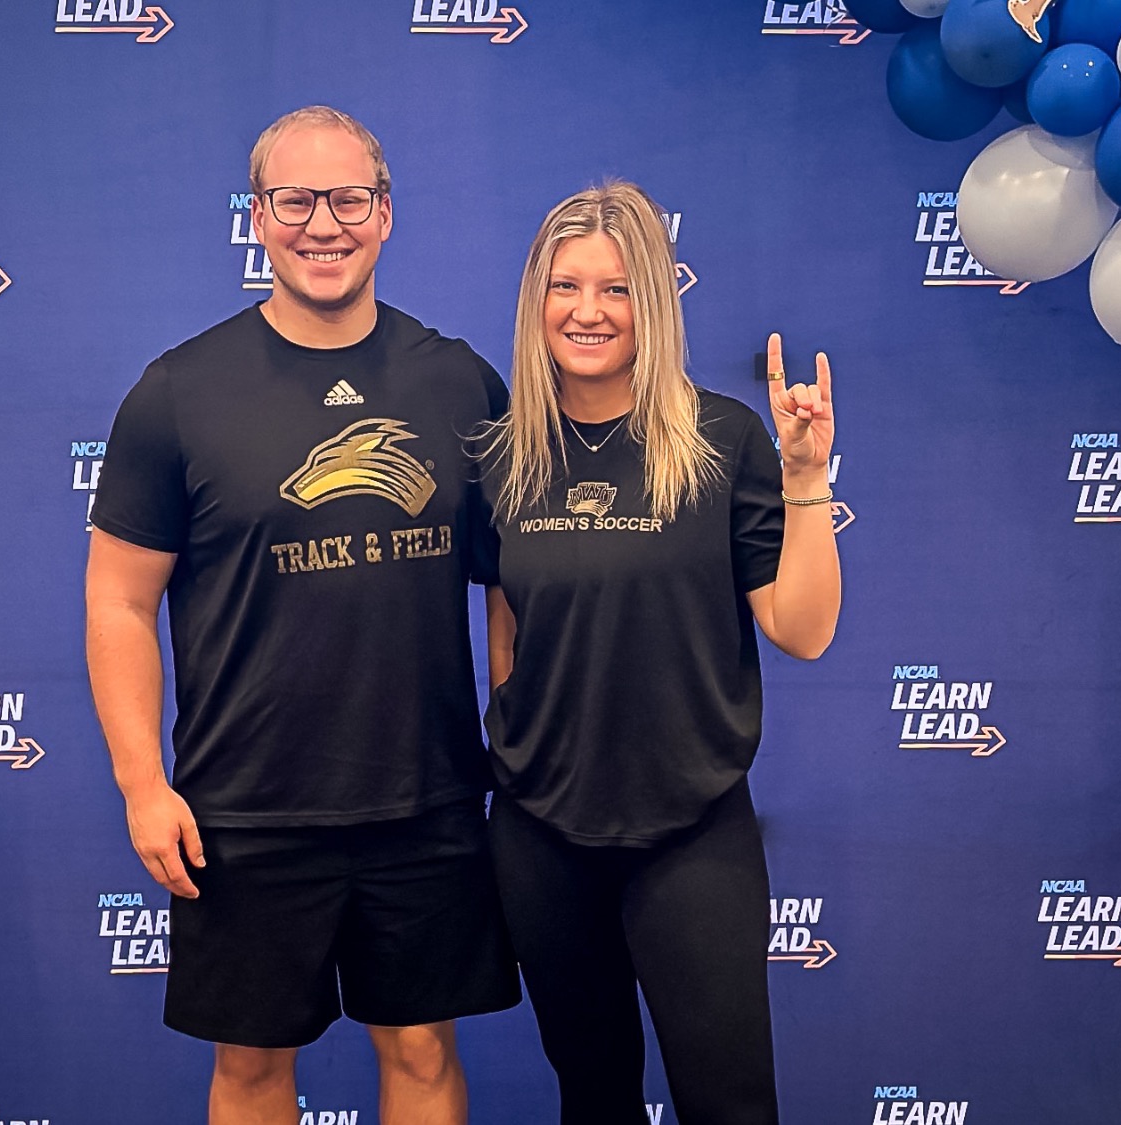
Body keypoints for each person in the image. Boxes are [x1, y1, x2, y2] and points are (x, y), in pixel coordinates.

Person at [85, 105, 519, 1125]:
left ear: (384, 214)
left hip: (425, 800)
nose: (322, 224)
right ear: (257, 216)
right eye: (295, 200)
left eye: (347, 199)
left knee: (419, 1054)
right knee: (248, 1069)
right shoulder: (177, 394)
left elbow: (512, 583)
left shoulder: (457, 383)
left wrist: (516, 734)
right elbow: (117, 599)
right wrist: (142, 784)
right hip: (244, 810)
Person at [477, 181, 843, 1125]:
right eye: (566, 286)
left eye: (617, 288)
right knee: (592, 1095)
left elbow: (802, 628)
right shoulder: (504, 454)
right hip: (542, 835)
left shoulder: (722, 438)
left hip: (691, 830)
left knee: (729, 1105)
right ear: (536, 298)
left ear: (655, 299)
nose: (588, 311)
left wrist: (806, 479)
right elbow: (507, 626)